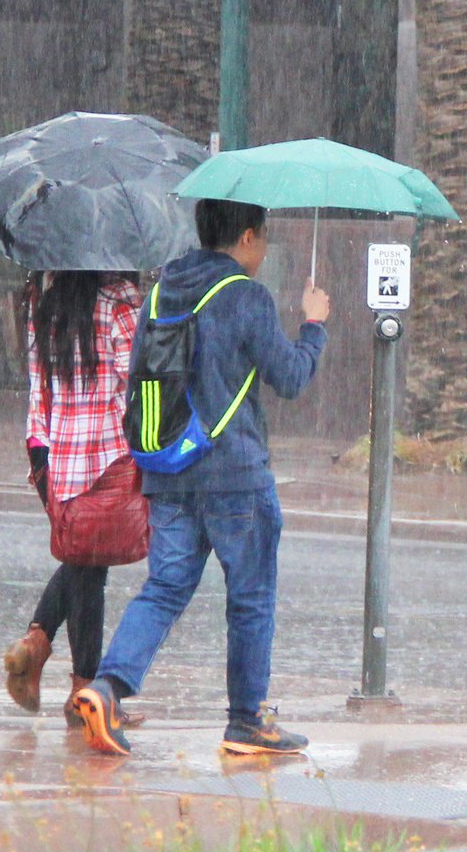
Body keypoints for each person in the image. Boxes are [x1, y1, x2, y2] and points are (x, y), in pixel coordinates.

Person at [72, 199, 330, 758]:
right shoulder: (244, 294)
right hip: (235, 473)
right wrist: (313, 326)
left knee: (163, 589)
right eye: (261, 238)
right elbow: (289, 377)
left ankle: (107, 688)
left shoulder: (162, 292)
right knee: (251, 598)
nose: (262, 250)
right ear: (245, 237)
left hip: (169, 470)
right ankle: (246, 721)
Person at [3, 270, 145, 720]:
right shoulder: (119, 301)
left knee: (83, 562)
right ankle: (87, 695)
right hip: (104, 457)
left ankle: (38, 645)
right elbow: (139, 374)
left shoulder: (43, 303)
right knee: (88, 569)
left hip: (50, 454)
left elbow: (37, 380)